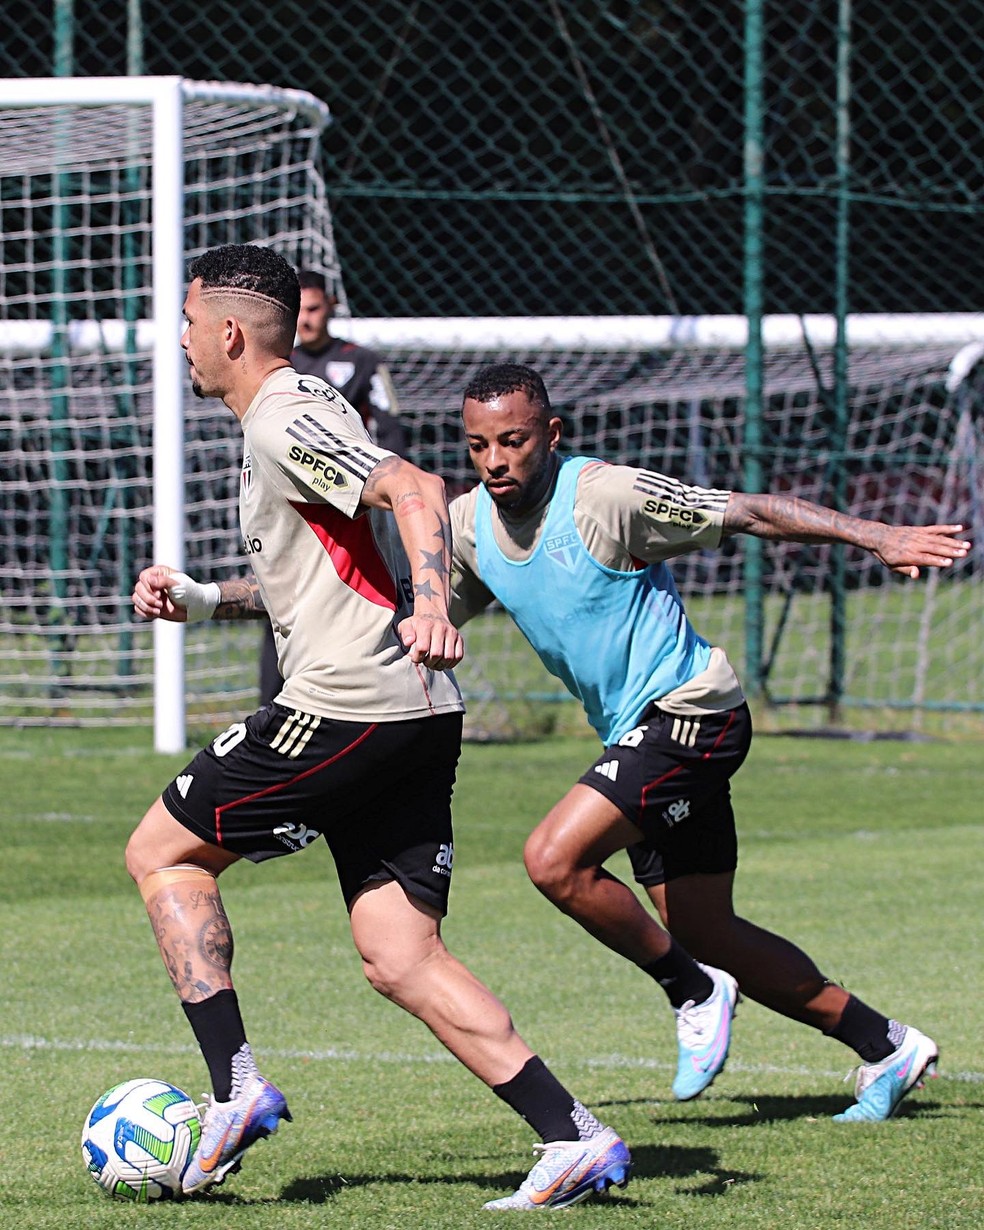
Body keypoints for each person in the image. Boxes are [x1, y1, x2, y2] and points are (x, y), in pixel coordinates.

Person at [126, 246, 632, 1210]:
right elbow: (324, 583)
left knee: (162, 853)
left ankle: (233, 1088)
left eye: (187, 323)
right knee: (400, 953)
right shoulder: (299, 413)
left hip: (346, 706)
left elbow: (415, 488)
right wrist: (202, 598)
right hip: (411, 714)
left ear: (229, 331)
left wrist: (435, 600)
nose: (182, 341)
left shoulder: (285, 417)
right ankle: (572, 1136)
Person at [448, 362, 970, 1123]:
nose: (496, 461)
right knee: (704, 926)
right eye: (478, 445)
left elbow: (752, 513)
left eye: (514, 441)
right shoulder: (469, 525)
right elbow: (412, 609)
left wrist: (876, 535)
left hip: (694, 712)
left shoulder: (605, 495)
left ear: (551, 434)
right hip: (638, 731)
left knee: (553, 860)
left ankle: (689, 988)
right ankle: (888, 1045)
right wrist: (227, 602)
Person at [259, 267, 406, 706]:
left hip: (352, 511)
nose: (306, 319)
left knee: (360, 602)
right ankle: (272, 706)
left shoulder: (362, 362)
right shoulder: (280, 367)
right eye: (299, 310)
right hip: (294, 510)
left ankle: (376, 696)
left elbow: (392, 428)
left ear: (332, 308)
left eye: (315, 308)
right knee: (279, 603)